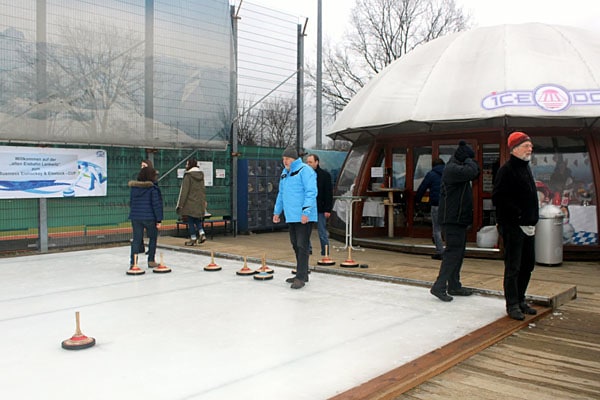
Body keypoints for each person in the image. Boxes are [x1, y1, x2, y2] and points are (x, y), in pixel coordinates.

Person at [492, 131, 539, 320]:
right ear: (515, 149)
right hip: (513, 226)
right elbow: (498, 198)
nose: (530, 149)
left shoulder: (526, 167)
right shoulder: (507, 170)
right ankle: (512, 304)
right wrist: (518, 214)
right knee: (513, 267)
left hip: (529, 226)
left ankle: (520, 299)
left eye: (530, 145)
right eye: (527, 145)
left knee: (528, 264)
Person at [430, 141, 480, 302]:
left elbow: (474, 171)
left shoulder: (456, 168)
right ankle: (439, 285)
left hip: (457, 218)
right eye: (468, 158)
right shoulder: (452, 169)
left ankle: (454, 285)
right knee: (452, 253)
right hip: (452, 218)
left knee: (457, 253)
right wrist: (469, 160)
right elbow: (473, 171)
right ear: (463, 158)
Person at [273, 146, 318, 289]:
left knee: (302, 245)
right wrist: (277, 212)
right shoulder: (284, 174)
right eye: (283, 159)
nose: (285, 161)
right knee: (295, 244)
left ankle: (301, 276)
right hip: (291, 215)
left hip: (303, 216)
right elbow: (281, 194)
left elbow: (311, 191)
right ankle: (302, 273)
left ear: (294, 159)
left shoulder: (305, 171)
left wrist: (306, 212)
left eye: (287, 159)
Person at [128, 166, 163, 269]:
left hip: (136, 217)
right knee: (152, 238)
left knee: (136, 239)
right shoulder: (152, 188)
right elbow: (156, 204)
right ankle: (151, 260)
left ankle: (133, 262)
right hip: (150, 217)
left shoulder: (134, 189)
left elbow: (131, 203)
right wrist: (159, 219)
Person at [415, 158, 445, 259]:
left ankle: (440, 251)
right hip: (449, 205)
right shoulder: (449, 174)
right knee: (448, 228)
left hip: (436, 204)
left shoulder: (431, 174)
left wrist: (417, 200)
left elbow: (422, 188)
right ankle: (451, 251)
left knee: (436, 228)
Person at [306, 153, 333, 256]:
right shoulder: (304, 176)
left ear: (316, 162)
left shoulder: (325, 176)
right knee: (306, 232)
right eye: (307, 162)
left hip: (321, 208)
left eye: (310, 162)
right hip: (308, 208)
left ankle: (325, 252)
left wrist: (328, 209)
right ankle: (307, 250)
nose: (308, 164)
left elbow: (328, 193)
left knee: (322, 232)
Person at [176, 157, 207, 246]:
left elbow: (184, 191)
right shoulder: (201, 175)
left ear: (190, 165)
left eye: (187, 164)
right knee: (197, 219)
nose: (186, 165)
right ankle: (201, 232)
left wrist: (181, 204)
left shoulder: (188, 175)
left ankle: (193, 238)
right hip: (199, 201)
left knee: (190, 220)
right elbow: (203, 189)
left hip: (190, 202)